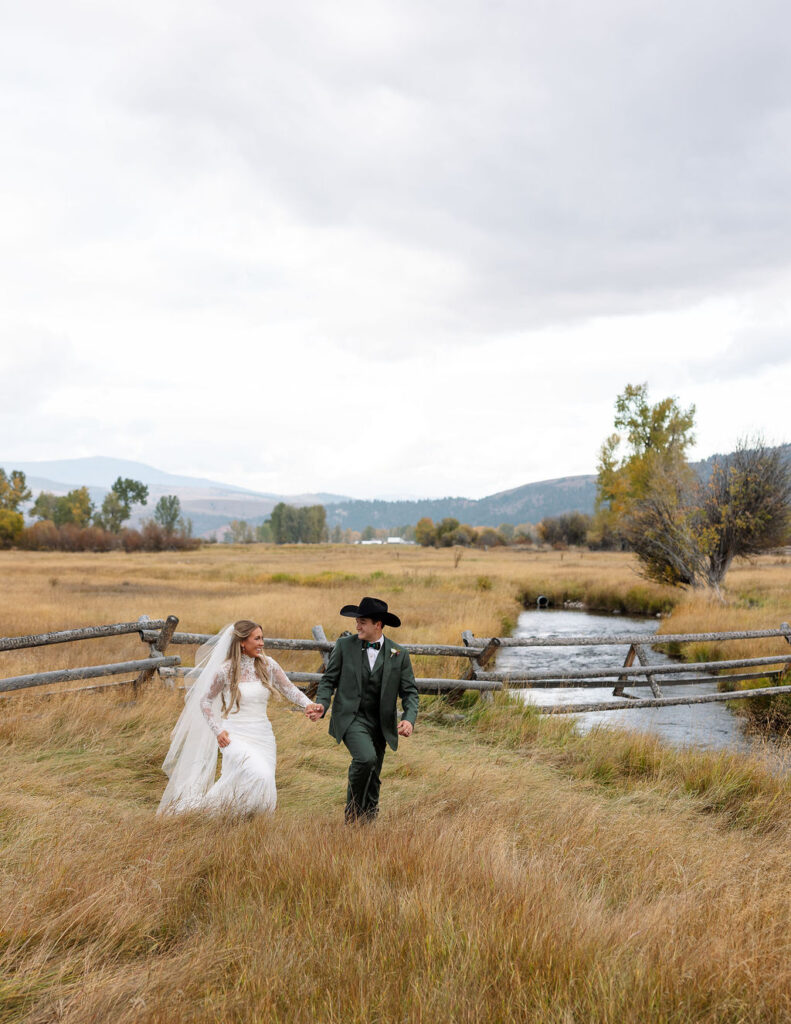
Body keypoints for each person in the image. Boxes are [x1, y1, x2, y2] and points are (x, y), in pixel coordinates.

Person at [158, 619, 323, 815]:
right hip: (234, 736)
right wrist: (217, 731)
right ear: (242, 642)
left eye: (262, 638)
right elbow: (204, 701)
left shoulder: (268, 665)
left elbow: (289, 689)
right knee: (259, 775)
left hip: (263, 736)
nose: (262, 643)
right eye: (257, 638)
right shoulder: (225, 670)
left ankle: (243, 821)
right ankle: (209, 813)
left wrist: (309, 705)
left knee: (262, 780)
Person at [307, 596, 419, 822]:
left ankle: (368, 820)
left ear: (378, 625)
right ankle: (352, 814)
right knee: (366, 759)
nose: (357, 626)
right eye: (357, 621)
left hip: (381, 723)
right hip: (351, 718)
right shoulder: (344, 646)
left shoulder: (399, 654)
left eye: (363, 621)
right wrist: (323, 704)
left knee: (374, 774)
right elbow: (329, 680)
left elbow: (410, 692)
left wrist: (409, 719)